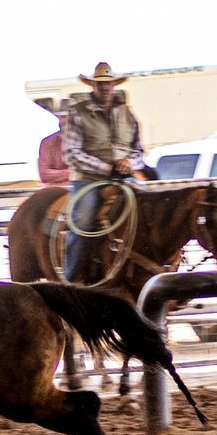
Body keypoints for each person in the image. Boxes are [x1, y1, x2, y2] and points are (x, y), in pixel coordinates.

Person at [59, 61, 148, 283]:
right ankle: (72, 277)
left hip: (123, 177)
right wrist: (107, 167)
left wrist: (130, 162)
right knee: (84, 219)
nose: (105, 88)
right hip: (89, 180)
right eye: (100, 84)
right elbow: (71, 154)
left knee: (150, 206)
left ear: (114, 85)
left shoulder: (127, 113)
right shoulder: (78, 113)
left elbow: (139, 150)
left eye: (108, 84)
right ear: (93, 87)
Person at [38, 112, 71, 187]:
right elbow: (44, 174)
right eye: (62, 116)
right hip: (57, 190)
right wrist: (71, 173)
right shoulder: (48, 142)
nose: (64, 120)